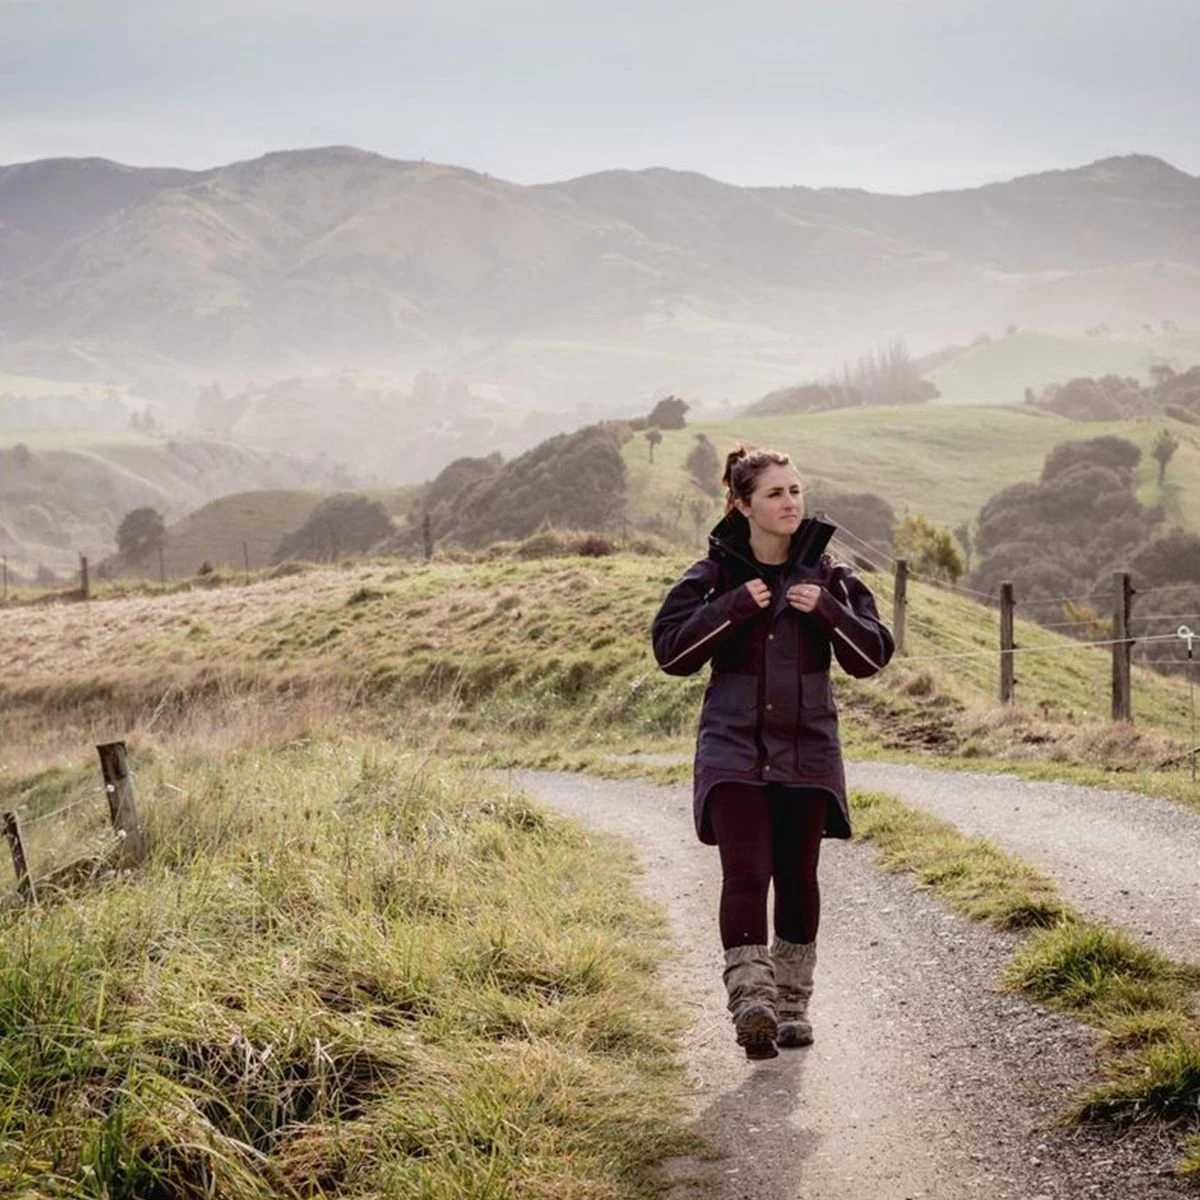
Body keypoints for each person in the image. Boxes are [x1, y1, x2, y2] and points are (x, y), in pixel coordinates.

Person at [651, 444, 894, 1060]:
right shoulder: (712, 577)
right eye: (775, 493)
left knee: (797, 876)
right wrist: (735, 606)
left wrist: (829, 613)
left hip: (808, 746)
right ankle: (751, 1001)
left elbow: (871, 659)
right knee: (746, 872)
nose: (790, 503)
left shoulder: (832, 576)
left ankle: (792, 1005)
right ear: (742, 504)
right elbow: (672, 654)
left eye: (795, 491)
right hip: (732, 747)